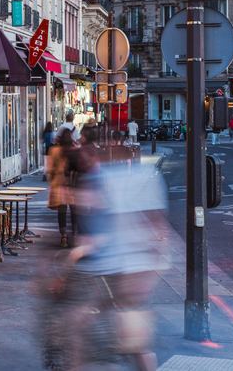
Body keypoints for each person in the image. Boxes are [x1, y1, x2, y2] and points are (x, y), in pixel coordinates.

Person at [59, 156, 168, 371]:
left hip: (126, 272)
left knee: (128, 337)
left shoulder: (112, 184)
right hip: (124, 271)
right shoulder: (127, 181)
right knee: (132, 339)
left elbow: (96, 238)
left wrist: (71, 261)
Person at [47, 129, 78, 248]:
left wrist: (53, 181)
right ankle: (74, 235)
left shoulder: (54, 150)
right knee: (74, 211)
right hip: (73, 185)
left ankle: (63, 236)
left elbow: (50, 170)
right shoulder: (75, 149)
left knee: (62, 212)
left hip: (59, 185)